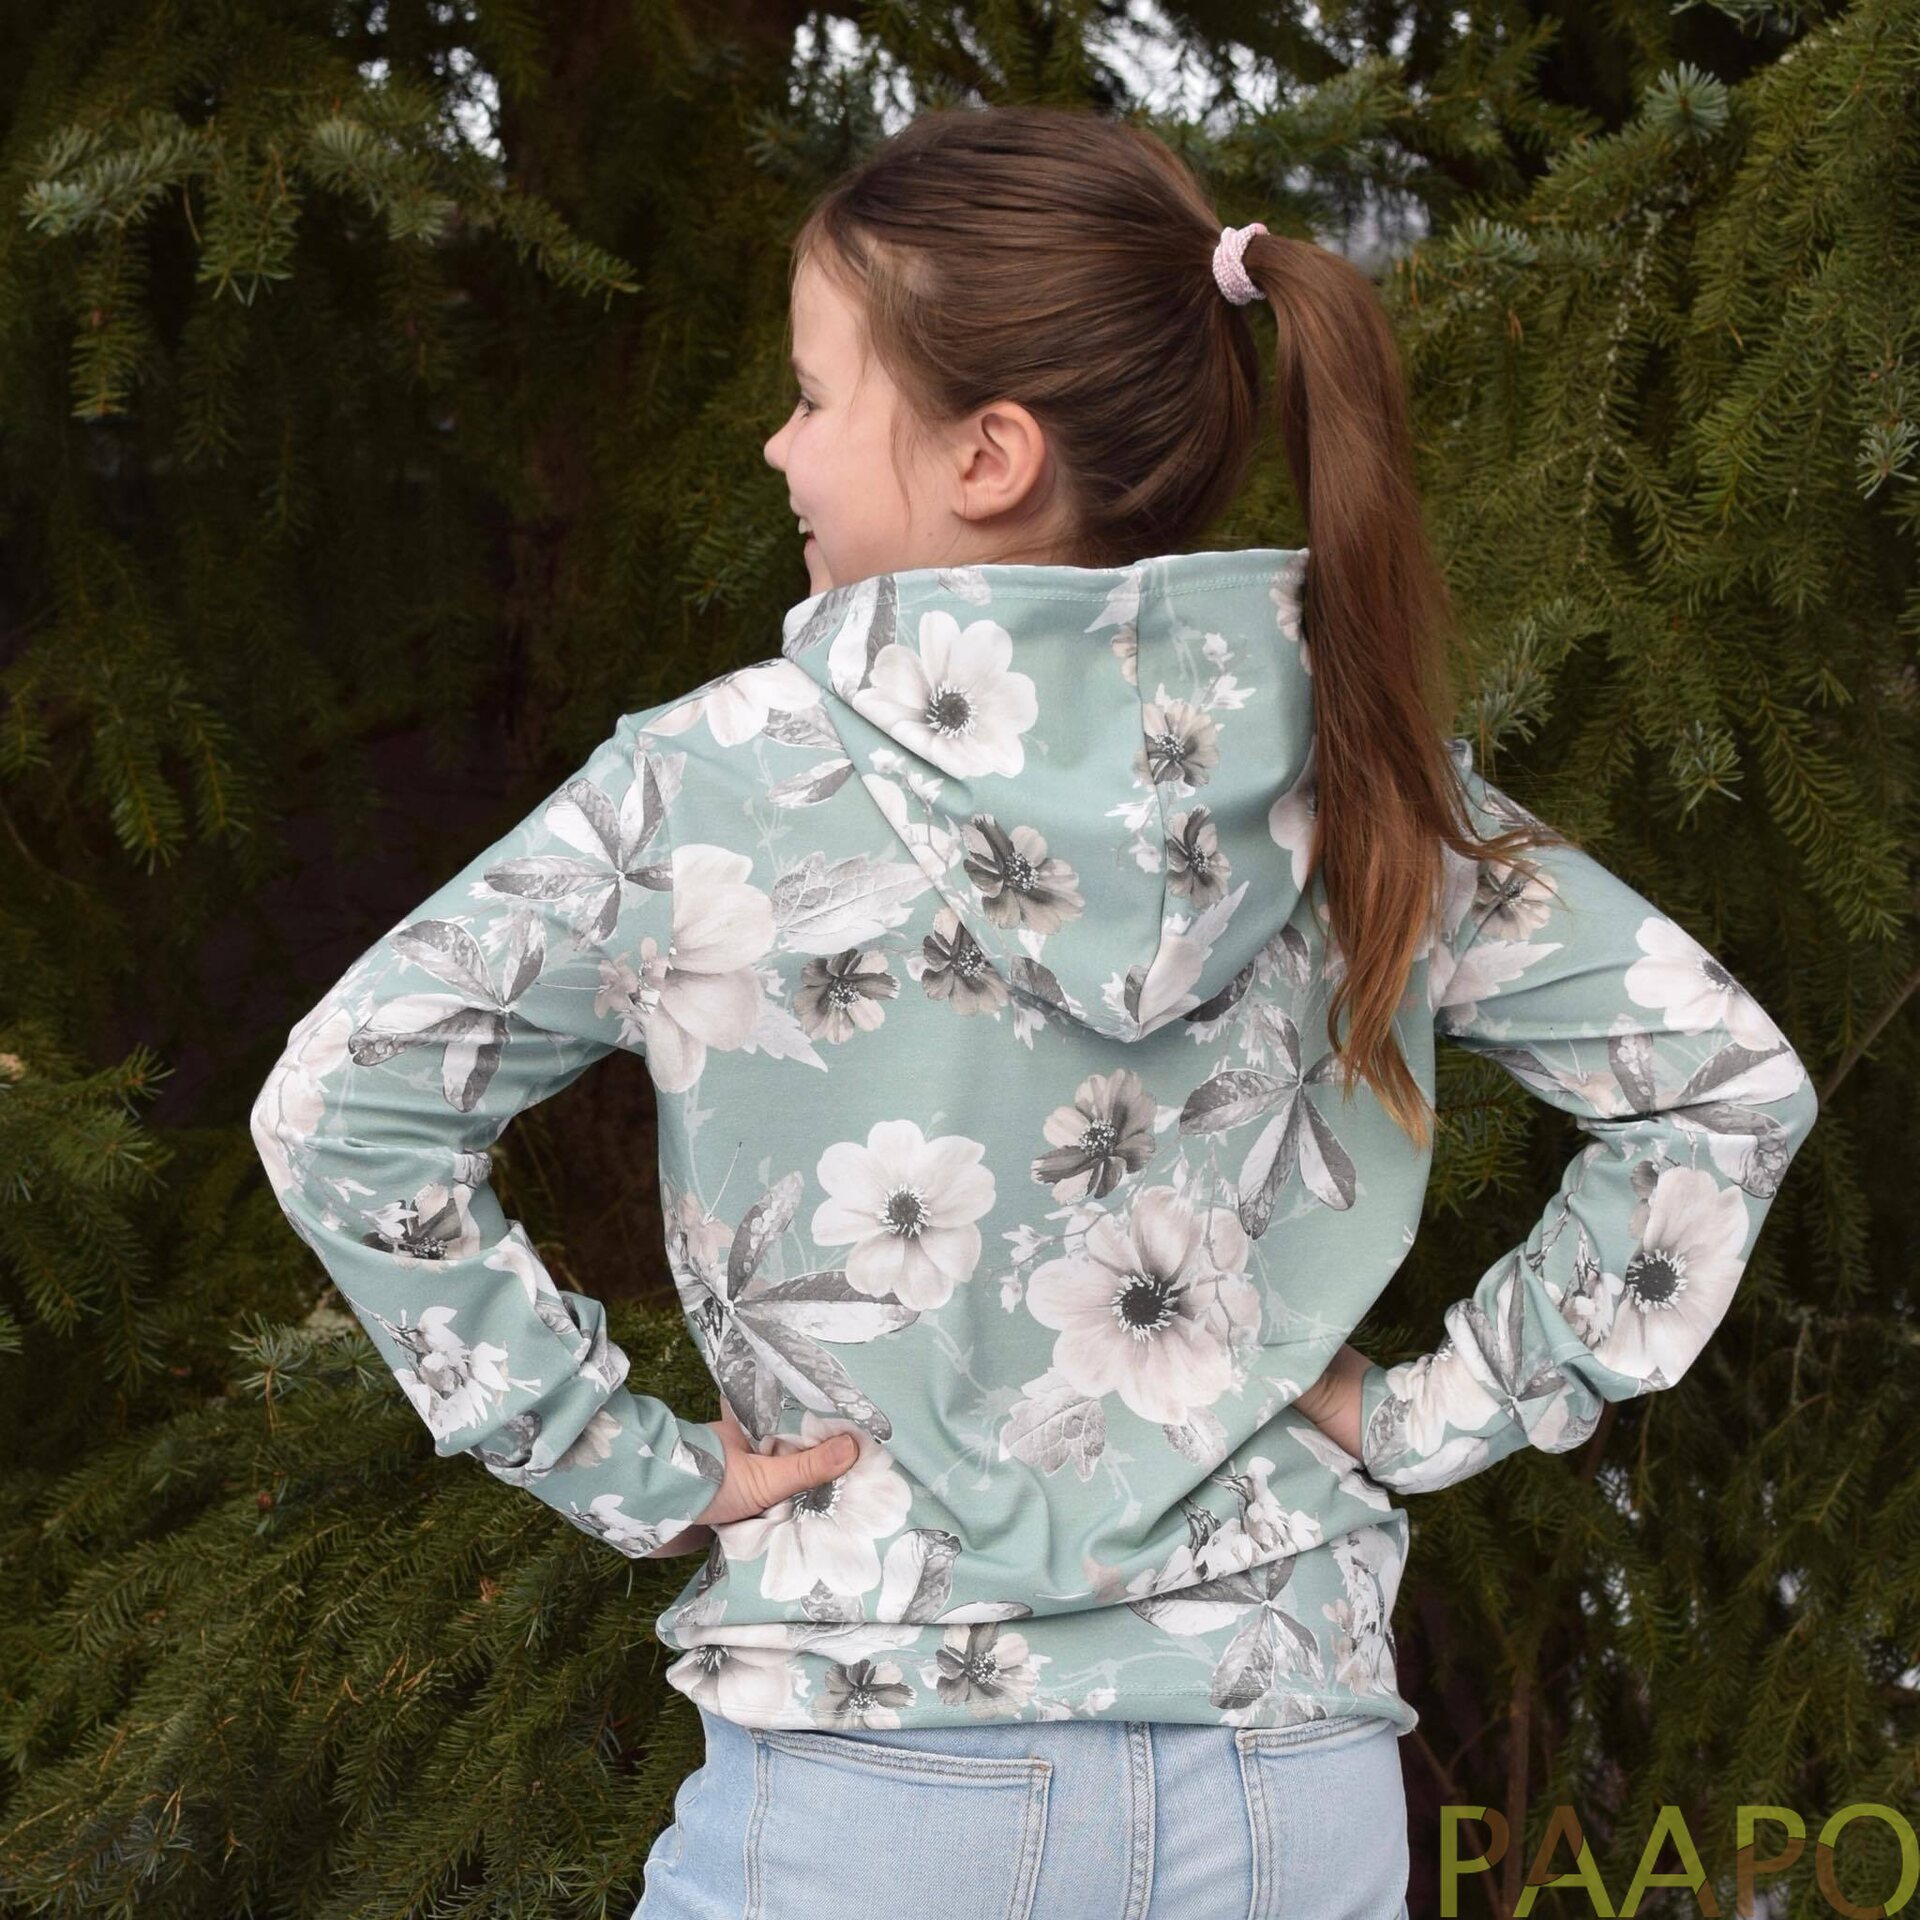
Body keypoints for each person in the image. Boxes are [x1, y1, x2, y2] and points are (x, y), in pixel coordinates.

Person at [249, 103, 1820, 1920]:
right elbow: (1721, 1084)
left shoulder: (709, 789)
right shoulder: (1366, 776)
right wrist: (1434, 1415)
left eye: (813, 396)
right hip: (1293, 1785)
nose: (776, 444)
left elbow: (345, 1109)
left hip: (877, 1789)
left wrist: (634, 1469)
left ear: (988, 454)